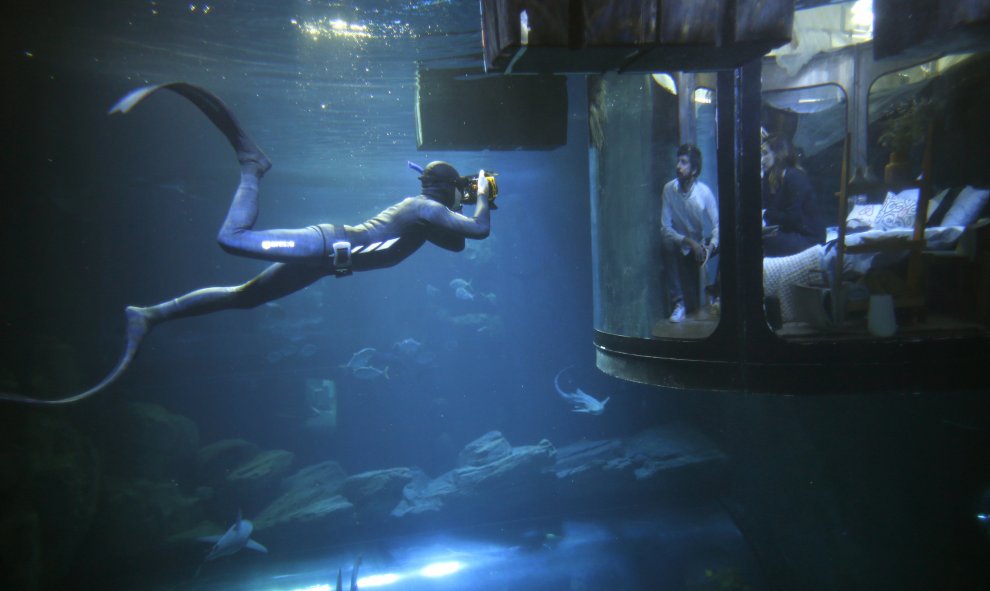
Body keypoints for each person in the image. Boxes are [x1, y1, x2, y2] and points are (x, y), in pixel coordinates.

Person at [0, 82, 493, 405]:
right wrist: (485, 197)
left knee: (246, 297)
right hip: (324, 247)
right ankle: (252, 165)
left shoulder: (428, 218)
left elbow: (457, 245)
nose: (462, 197)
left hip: (326, 262)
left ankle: (150, 314)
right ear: (444, 190)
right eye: (459, 191)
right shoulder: (425, 207)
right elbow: (477, 230)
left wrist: (475, 197)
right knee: (231, 240)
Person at [659, 144, 719, 323]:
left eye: (684, 163)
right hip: (681, 246)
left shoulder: (704, 193)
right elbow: (665, 229)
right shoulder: (669, 190)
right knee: (665, 243)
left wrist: (710, 246)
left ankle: (718, 295)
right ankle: (679, 304)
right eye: (678, 161)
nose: (679, 166)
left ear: (694, 170)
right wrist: (688, 242)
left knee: (729, 241)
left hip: (700, 245)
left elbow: (718, 224)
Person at [761, 135, 824, 256]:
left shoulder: (794, 176)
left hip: (810, 238)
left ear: (777, 154)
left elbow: (793, 219)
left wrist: (766, 214)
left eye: (765, 154)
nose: (761, 160)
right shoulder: (773, 180)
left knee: (762, 242)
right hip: (793, 233)